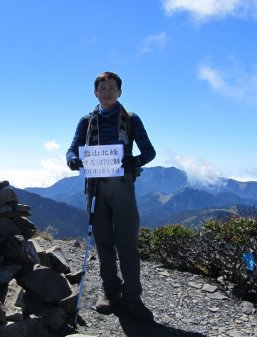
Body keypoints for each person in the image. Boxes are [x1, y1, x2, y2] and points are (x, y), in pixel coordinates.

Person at [66, 71, 156, 322]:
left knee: (127, 242)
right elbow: (72, 148)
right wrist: (72, 160)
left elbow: (149, 151)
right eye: (102, 87)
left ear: (120, 91)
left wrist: (134, 160)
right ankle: (110, 292)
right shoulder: (86, 120)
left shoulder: (131, 118)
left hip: (122, 185)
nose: (107, 91)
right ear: (95, 92)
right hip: (94, 187)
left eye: (112, 87)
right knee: (103, 242)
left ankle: (133, 297)